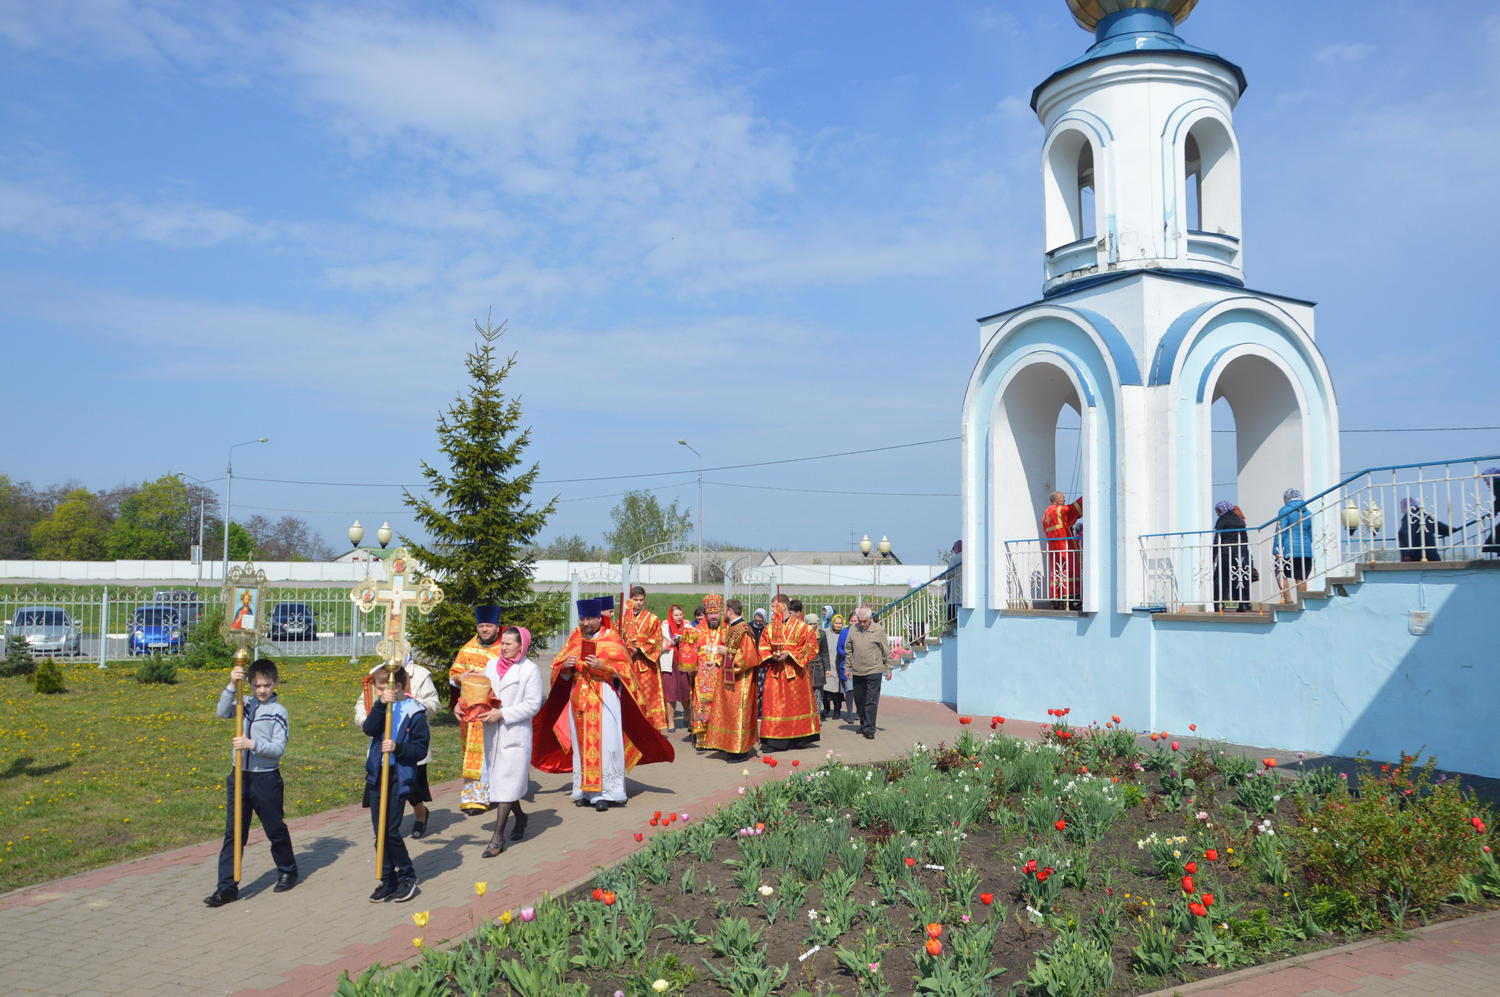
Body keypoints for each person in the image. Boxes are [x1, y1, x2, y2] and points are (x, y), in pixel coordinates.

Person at [532, 598, 674, 810]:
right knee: (580, 746)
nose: (585, 623)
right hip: (579, 698)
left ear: (599, 618)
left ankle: (608, 792)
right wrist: (565, 667)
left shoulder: (612, 638)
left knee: (607, 745)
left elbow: (626, 672)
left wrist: (603, 665)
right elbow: (557, 667)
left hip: (604, 697)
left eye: (589, 619)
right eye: (583, 619)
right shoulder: (575, 637)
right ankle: (583, 790)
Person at [204, 658, 297, 908]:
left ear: (275, 683)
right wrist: (232, 685)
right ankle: (227, 886)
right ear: (250, 685)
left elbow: (278, 748)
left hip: (266, 778)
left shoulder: (279, 712)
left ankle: (288, 869)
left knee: (274, 828)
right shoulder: (244, 704)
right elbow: (221, 711)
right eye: (257, 686)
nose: (262, 690)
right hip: (239, 776)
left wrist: (251, 744)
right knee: (234, 833)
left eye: (267, 685)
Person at [363, 666, 429, 903]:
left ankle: (407, 876)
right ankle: (387, 878)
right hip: (377, 774)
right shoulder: (382, 707)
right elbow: (369, 729)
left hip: (397, 776)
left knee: (390, 831)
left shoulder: (414, 712)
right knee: (378, 832)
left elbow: (421, 749)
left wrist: (398, 748)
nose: (378, 692)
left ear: (396, 687)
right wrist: (380, 705)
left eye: (381, 688)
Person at [357, 654, 441, 837]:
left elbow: (433, 704)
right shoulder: (379, 674)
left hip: (406, 747)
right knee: (380, 799)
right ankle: (386, 835)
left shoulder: (419, 674)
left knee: (412, 787)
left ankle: (419, 816)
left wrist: (411, 704)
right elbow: (366, 701)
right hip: (381, 750)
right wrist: (366, 716)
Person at [478, 626, 543, 856]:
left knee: (506, 783)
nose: (503, 647)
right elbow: (481, 691)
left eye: (508, 644)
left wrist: (503, 714)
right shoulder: (491, 666)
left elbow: (533, 704)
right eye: (502, 643)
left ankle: (497, 838)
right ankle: (522, 817)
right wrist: (466, 703)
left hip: (514, 734)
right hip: (493, 733)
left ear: (520, 645)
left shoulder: (529, 670)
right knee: (502, 783)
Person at [448, 605, 503, 815]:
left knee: (494, 754)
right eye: (481, 625)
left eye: (489, 625)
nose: (484, 629)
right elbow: (454, 673)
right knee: (474, 755)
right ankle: (474, 797)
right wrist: (458, 678)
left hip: (494, 711)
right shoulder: (468, 648)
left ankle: (496, 792)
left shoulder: (503, 650)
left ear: (497, 627)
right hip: (470, 714)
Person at [693, 595, 761, 756]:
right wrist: (717, 663)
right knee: (730, 715)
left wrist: (726, 651)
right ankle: (730, 746)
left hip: (741, 682)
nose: (722, 613)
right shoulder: (733, 628)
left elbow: (750, 658)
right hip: (731, 680)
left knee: (739, 716)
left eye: (723, 610)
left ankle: (739, 750)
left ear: (730, 611)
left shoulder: (744, 629)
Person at [757, 596, 821, 751]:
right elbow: (762, 647)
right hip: (776, 674)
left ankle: (797, 739)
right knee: (775, 706)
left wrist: (790, 655)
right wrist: (772, 656)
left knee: (795, 707)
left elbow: (811, 648)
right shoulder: (770, 628)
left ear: (783, 606)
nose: (772, 609)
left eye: (774, 606)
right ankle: (774, 740)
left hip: (796, 674)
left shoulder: (802, 627)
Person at [620, 585, 669, 731]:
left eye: (641, 600)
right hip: (629, 664)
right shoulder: (623, 620)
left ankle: (651, 729)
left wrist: (639, 650)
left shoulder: (653, 619)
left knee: (648, 696)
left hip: (646, 666)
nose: (639, 603)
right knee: (630, 697)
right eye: (635, 600)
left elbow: (657, 641)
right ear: (631, 600)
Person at [844, 607, 891, 740]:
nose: (862, 624)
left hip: (874, 670)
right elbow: (848, 650)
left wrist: (888, 669)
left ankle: (870, 728)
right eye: (860, 621)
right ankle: (863, 724)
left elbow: (886, 651)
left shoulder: (879, 630)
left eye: (864, 621)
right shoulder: (853, 629)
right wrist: (847, 668)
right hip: (858, 671)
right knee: (859, 699)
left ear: (870, 619)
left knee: (871, 700)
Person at [1042, 491, 1084, 609]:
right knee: (1069, 570)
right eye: (1063, 499)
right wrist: (1087, 496)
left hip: (1053, 549)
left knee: (1056, 572)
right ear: (1058, 500)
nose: (1064, 501)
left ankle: (1056, 600)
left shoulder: (1046, 514)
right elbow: (1072, 510)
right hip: (1065, 547)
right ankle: (1071, 601)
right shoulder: (1059, 510)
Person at [1274, 488, 1314, 604]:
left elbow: (1280, 531)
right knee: (1300, 577)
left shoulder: (1284, 510)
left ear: (1286, 499)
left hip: (1289, 549)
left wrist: (1276, 549)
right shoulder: (1307, 512)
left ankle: (1288, 600)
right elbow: (1310, 535)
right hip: (1305, 551)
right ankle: (1303, 602)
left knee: (1280, 573)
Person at [1212, 500, 1253, 612]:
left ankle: (1218, 605)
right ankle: (1241, 605)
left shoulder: (1223, 519)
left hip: (1226, 553)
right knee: (1237, 579)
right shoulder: (1240, 520)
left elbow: (1218, 538)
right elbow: (1245, 539)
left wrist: (1213, 555)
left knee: (1220, 579)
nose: (1217, 514)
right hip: (1241, 553)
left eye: (1218, 511)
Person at [659, 604, 693, 731]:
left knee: (685, 691)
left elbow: (694, 641)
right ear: (671, 616)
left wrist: (684, 640)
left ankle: (687, 714)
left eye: (680, 614)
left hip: (684, 663)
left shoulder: (688, 626)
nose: (679, 617)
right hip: (668, 663)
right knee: (670, 693)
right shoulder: (663, 628)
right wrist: (671, 642)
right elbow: (658, 646)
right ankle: (671, 722)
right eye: (676, 615)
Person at [1398, 498, 1454, 562]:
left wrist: (1408, 554)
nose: (1401, 510)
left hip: (1416, 557)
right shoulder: (1424, 515)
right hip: (1431, 555)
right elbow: (1436, 525)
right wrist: (1449, 529)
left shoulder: (1409, 518)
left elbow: (1409, 535)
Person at [820, 614, 848, 720]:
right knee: (826, 689)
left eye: (840, 623)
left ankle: (837, 710)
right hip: (828, 663)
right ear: (832, 623)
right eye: (836, 623)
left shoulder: (845, 633)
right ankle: (826, 708)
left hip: (839, 664)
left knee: (837, 690)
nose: (838, 625)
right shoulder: (825, 632)